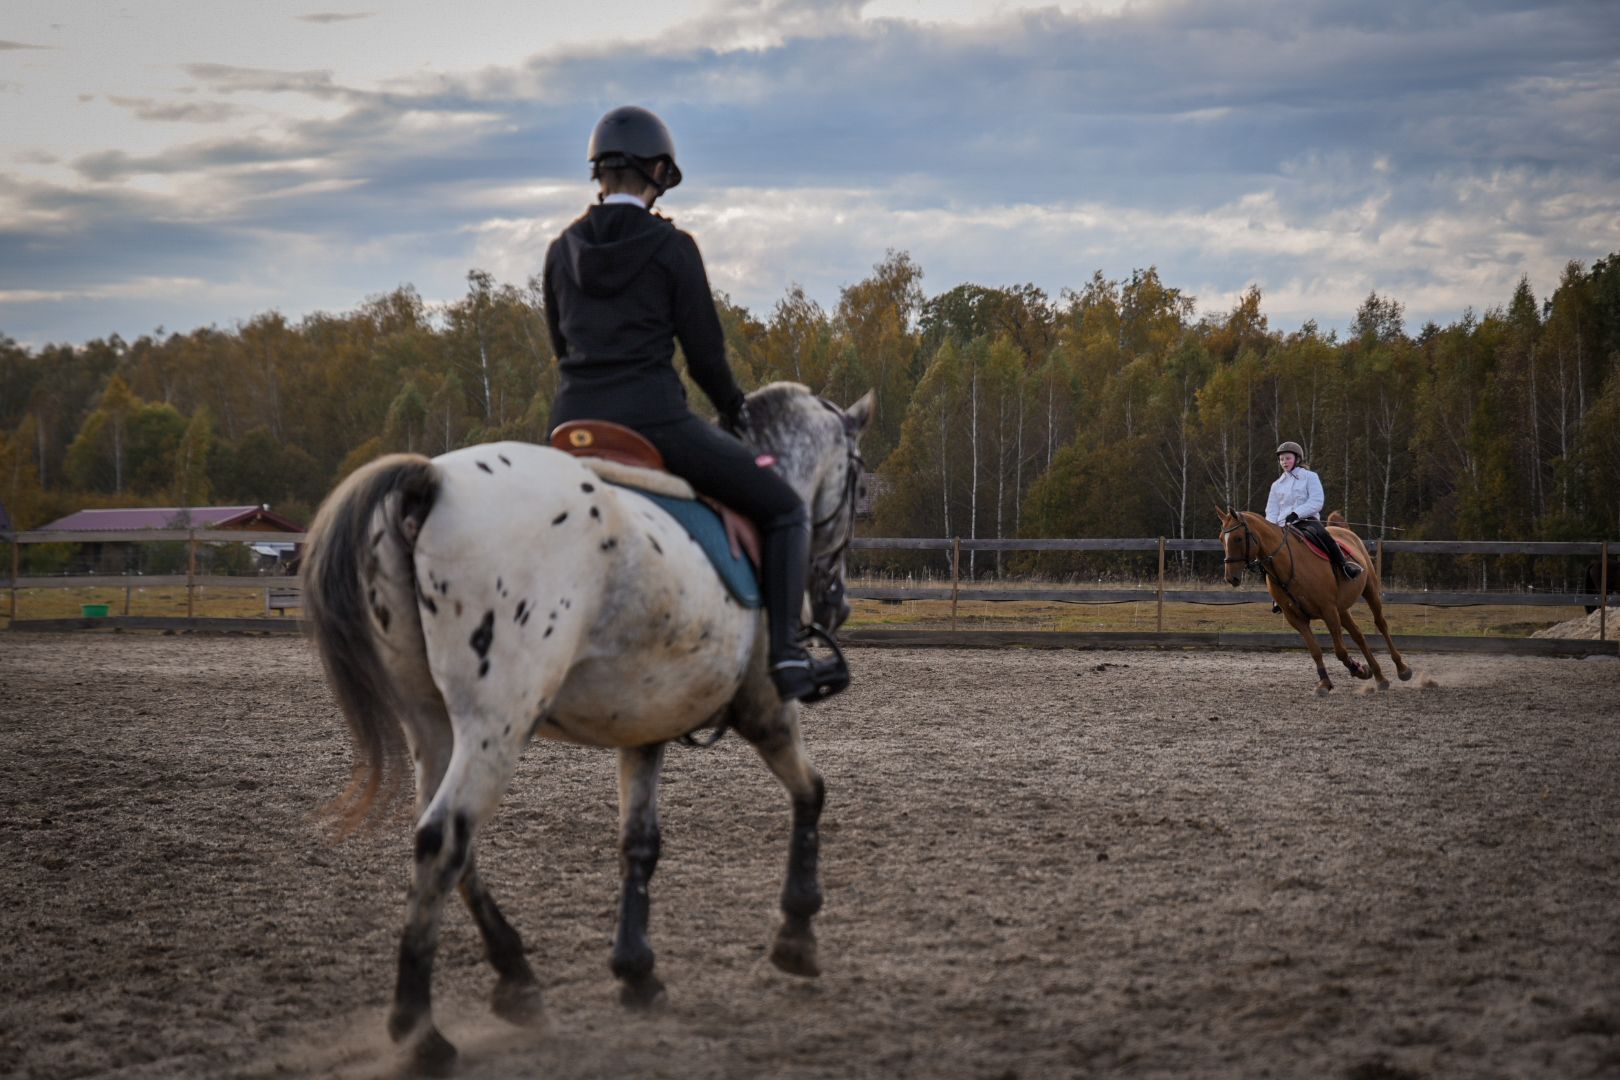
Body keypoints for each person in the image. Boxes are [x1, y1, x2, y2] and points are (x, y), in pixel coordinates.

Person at [542, 105, 844, 703]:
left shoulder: (560, 249)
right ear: (658, 172)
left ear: (598, 171)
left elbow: (560, 346)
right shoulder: (672, 247)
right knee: (785, 509)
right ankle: (787, 655)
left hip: (569, 426)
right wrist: (734, 409)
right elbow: (705, 355)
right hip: (652, 422)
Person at [1266, 440, 1361, 587]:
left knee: (1324, 535)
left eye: (1288, 458)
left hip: (1306, 521)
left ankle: (1344, 566)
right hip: (1282, 526)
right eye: (1281, 459)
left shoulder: (1310, 477)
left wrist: (1296, 514)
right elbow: (1271, 510)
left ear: (1297, 459)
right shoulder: (1276, 485)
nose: (1284, 462)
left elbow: (1316, 501)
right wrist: (1271, 527)